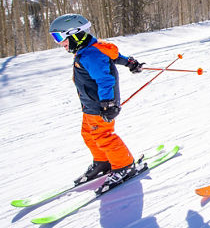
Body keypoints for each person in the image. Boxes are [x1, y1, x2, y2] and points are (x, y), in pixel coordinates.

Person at [49, 13, 144, 194]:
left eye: (60, 37)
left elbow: (105, 79)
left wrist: (108, 103)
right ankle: (103, 162)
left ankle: (125, 165)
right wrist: (129, 62)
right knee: (89, 134)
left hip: (100, 105)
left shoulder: (90, 55)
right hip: (90, 105)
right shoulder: (91, 49)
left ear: (75, 34)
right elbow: (113, 55)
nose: (60, 43)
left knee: (103, 135)